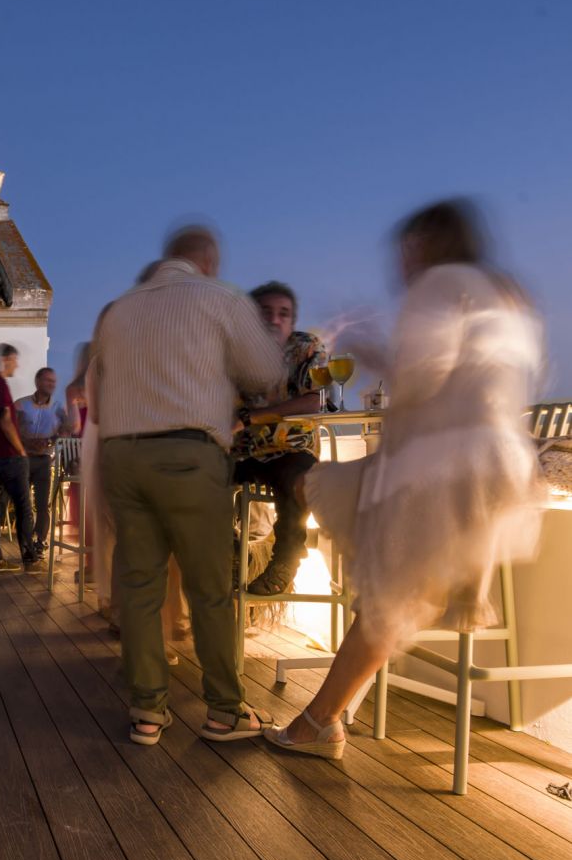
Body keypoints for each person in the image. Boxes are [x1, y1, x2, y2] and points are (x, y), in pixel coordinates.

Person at [265, 200, 546, 759]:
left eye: (408, 247)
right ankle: (327, 716)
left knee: (323, 503)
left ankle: (320, 720)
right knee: (382, 578)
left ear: (430, 245)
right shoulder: (507, 295)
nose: (401, 260)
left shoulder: (440, 284)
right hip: (502, 472)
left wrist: (374, 353)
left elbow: (422, 377)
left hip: (442, 471)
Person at [92, 225, 283, 746]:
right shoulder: (218, 297)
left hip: (122, 455)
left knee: (140, 587)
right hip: (187, 453)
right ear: (207, 259)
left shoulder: (120, 309)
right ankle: (224, 710)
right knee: (210, 588)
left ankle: (147, 712)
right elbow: (266, 370)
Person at [231, 282, 328, 595]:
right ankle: (232, 555)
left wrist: (253, 417)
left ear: (292, 321)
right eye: (266, 313)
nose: (275, 319)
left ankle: (285, 561)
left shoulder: (307, 348)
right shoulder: (237, 356)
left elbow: (315, 400)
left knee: (296, 480)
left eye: (283, 313)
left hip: (292, 446)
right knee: (202, 477)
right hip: (245, 450)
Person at [0, 344, 40, 573]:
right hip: (10, 457)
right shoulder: (0, 386)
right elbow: (6, 420)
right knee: (24, 507)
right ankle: (31, 559)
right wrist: (21, 450)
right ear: (5, 359)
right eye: (15, 359)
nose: (17, 364)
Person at [14, 367, 73, 557]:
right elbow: (9, 428)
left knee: (43, 504)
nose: (52, 384)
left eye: (54, 381)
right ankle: (26, 544)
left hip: (45, 460)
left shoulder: (58, 407)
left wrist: (52, 440)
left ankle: (40, 541)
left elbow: (67, 430)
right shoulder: (21, 405)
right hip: (23, 459)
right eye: (48, 380)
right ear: (38, 382)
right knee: (24, 503)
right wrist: (25, 442)